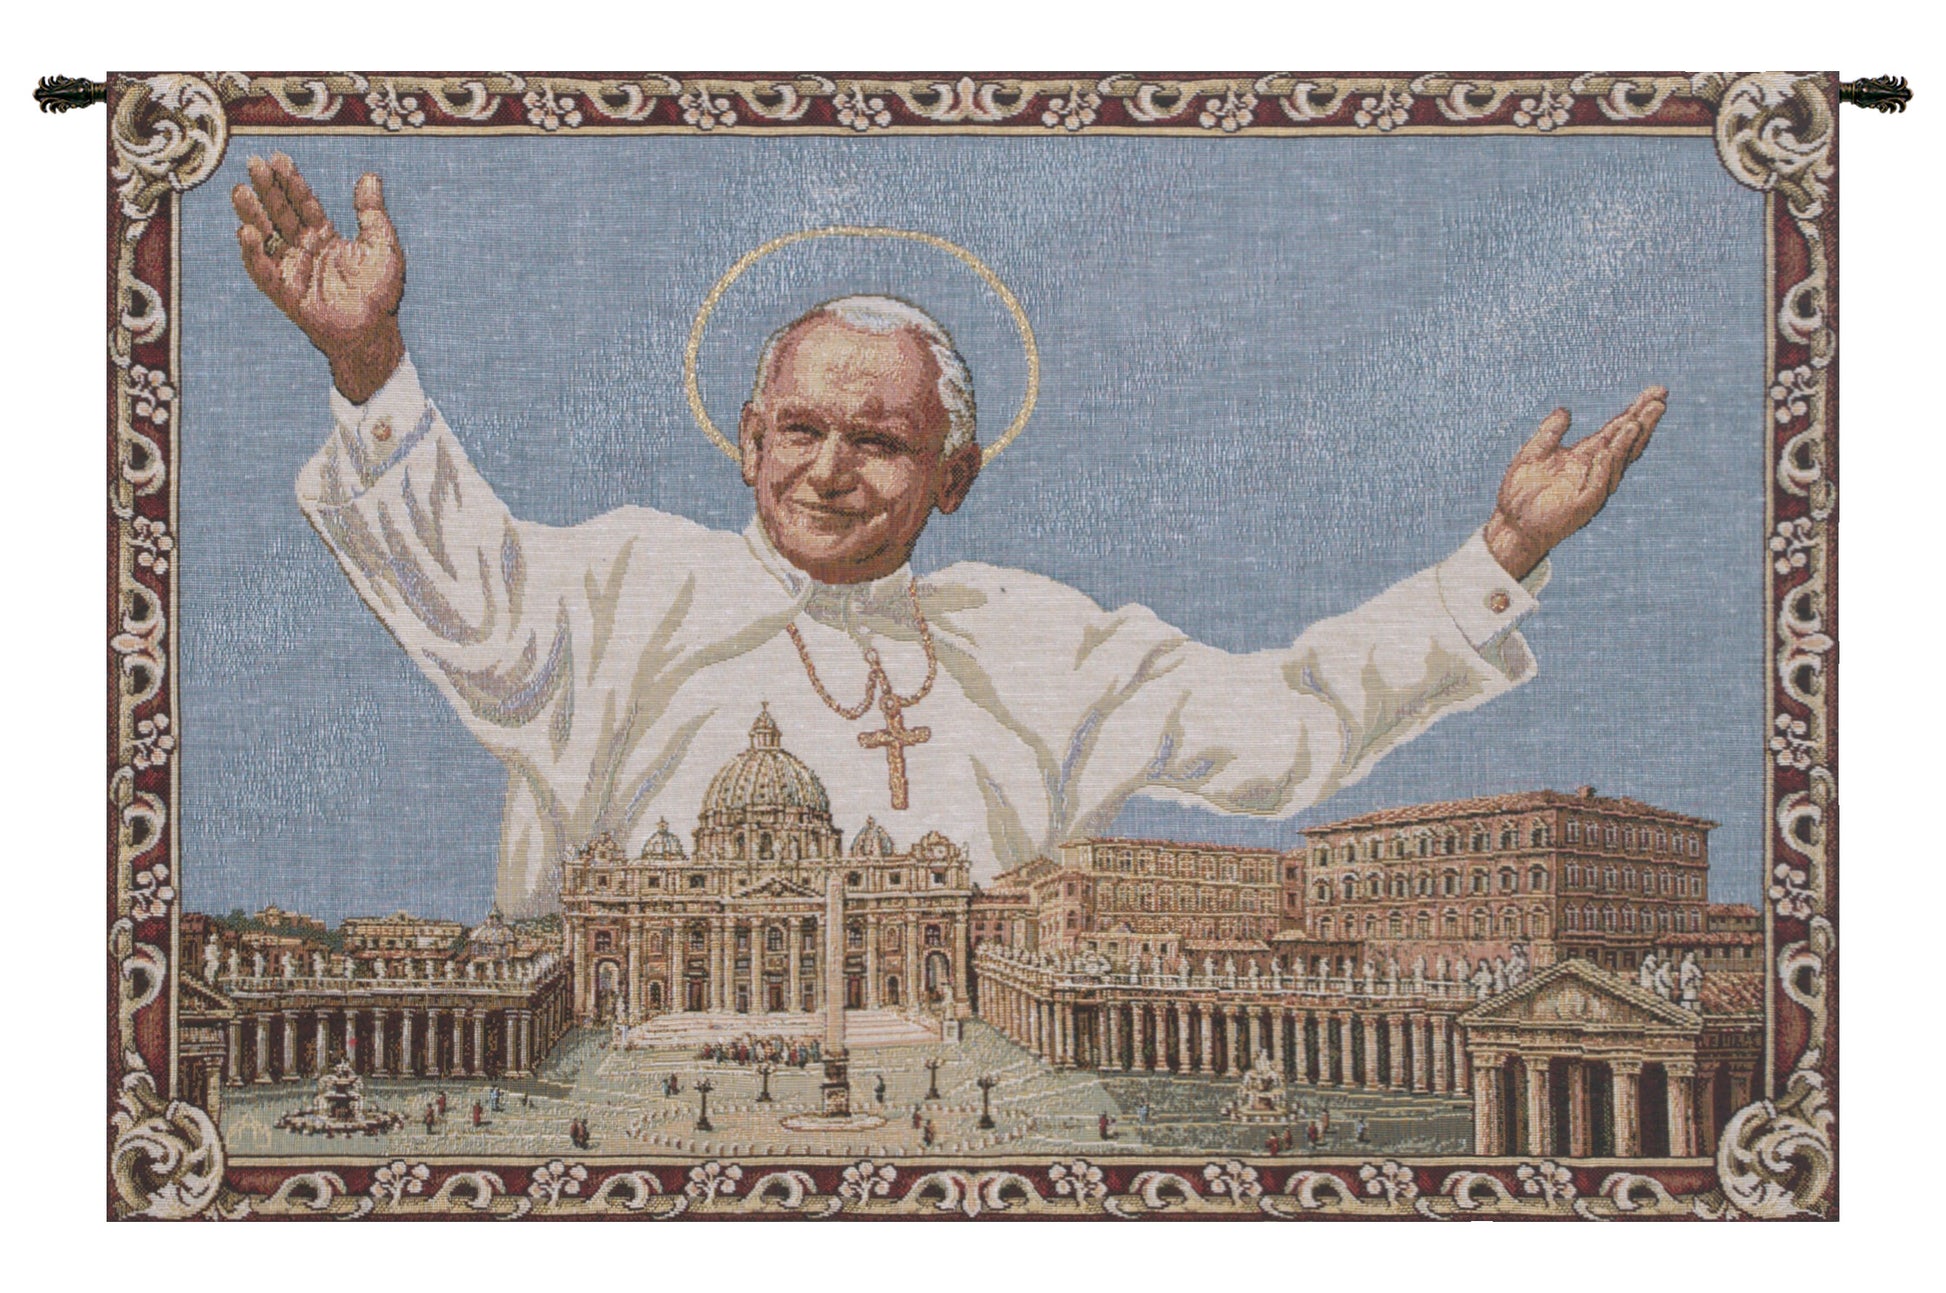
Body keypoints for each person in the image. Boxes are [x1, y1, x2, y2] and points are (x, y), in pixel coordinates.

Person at [234, 156, 1664, 912]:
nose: (827, 471)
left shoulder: (1040, 642)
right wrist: (368, 364)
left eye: (878, 442)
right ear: (746, 439)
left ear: (954, 475)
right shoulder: (621, 581)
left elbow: (1284, 727)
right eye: (799, 429)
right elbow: (458, 584)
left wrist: (1498, 551)